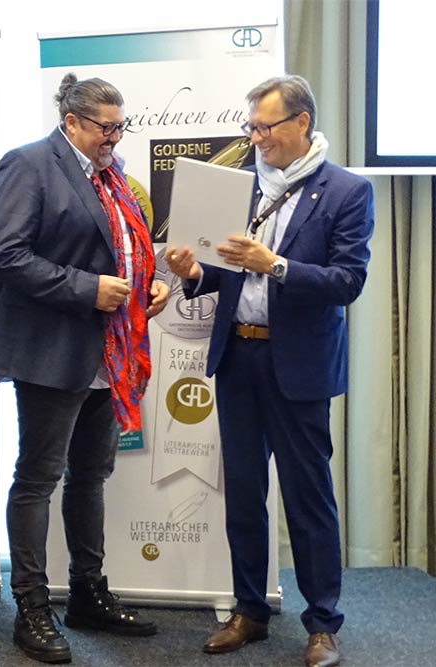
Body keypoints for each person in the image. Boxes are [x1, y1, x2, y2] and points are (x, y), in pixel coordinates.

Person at [164, 75, 374, 667]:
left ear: (302, 122)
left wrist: (275, 264)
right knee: (243, 494)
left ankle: (322, 624)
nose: (255, 138)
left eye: (265, 127)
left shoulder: (346, 191)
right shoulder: (243, 186)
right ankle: (249, 611)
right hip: (238, 358)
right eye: (251, 127)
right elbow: (225, 272)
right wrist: (193, 273)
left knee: (309, 499)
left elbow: (347, 281)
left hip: (299, 366)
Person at [0, 73, 170, 664]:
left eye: (120, 126)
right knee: (38, 478)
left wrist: (151, 285)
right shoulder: (29, 164)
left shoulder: (113, 176)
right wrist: (89, 289)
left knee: (90, 476)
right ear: (72, 122)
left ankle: (87, 593)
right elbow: (3, 254)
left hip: (109, 351)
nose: (115, 137)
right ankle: (31, 607)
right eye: (106, 127)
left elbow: (125, 251)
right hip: (50, 350)